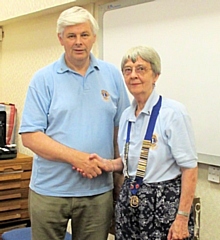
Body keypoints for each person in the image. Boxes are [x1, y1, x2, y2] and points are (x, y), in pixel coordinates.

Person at [19, 6, 130, 240]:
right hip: (50, 192)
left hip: (98, 192)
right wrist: (77, 158)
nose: (78, 42)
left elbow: (122, 130)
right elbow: (30, 135)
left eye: (84, 35)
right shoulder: (43, 79)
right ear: (61, 39)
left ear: (93, 37)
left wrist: (120, 175)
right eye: (71, 35)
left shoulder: (111, 75)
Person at [88, 45, 198, 240]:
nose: (133, 75)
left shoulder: (173, 113)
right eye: (128, 70)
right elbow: (129, 160)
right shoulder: (126, 115)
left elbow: (189, 168)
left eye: (141, 69)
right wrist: (108, 164)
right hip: (130, 201)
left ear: (155, 75)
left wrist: (182, 217)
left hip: (164, 204)